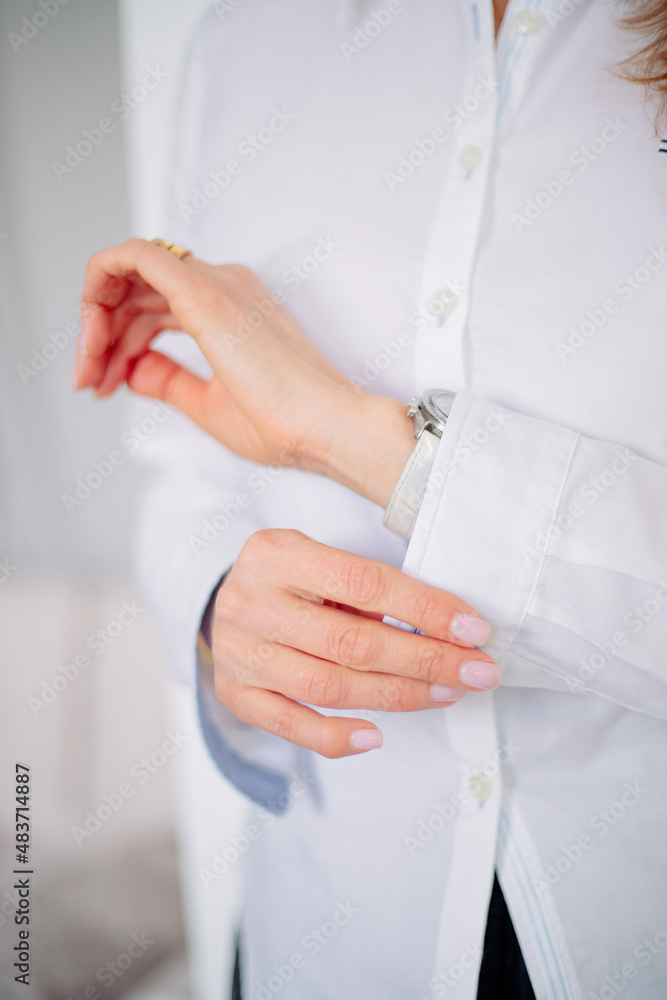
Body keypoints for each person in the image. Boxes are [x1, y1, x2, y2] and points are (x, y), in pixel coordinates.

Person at [75, 0, 667, 996]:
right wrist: (222, 607)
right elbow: (184, 480)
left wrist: (371, 447)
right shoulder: (245, 42)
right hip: (317, 939)